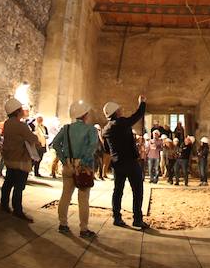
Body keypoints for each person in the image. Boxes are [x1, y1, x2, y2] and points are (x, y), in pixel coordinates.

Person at [51, 101, 97, 239]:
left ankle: (63, 224)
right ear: (85, 114)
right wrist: (83, 162)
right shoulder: (91, 130)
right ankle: (84, 229)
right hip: (83, 167)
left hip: (68, 164)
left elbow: (55, 143)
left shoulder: (66, 128)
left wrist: (63, 159)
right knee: (83, 199)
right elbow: (92, 147)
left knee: (65, 196)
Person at [102, 96, 148, 229]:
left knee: (118, 191)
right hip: (130, 162)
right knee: (137, 191)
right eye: (119, 109)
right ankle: (137, 219)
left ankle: (117, 218)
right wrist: (142, 103)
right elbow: (137, 116)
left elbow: (107, 149)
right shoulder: (120, 122)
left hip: (117, 164)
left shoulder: (106, 128)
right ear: (116, 112)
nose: (121, 110)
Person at [0, 97, 38, 222]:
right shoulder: (21, 125)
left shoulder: (7, 123)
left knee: (8, 183)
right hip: (20, 160)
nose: (23, 110)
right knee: (19, 186)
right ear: (17, 111)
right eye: (21, 108)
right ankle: (17, 210)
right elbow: (33, 139)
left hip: (9, 158)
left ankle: (4, 205)